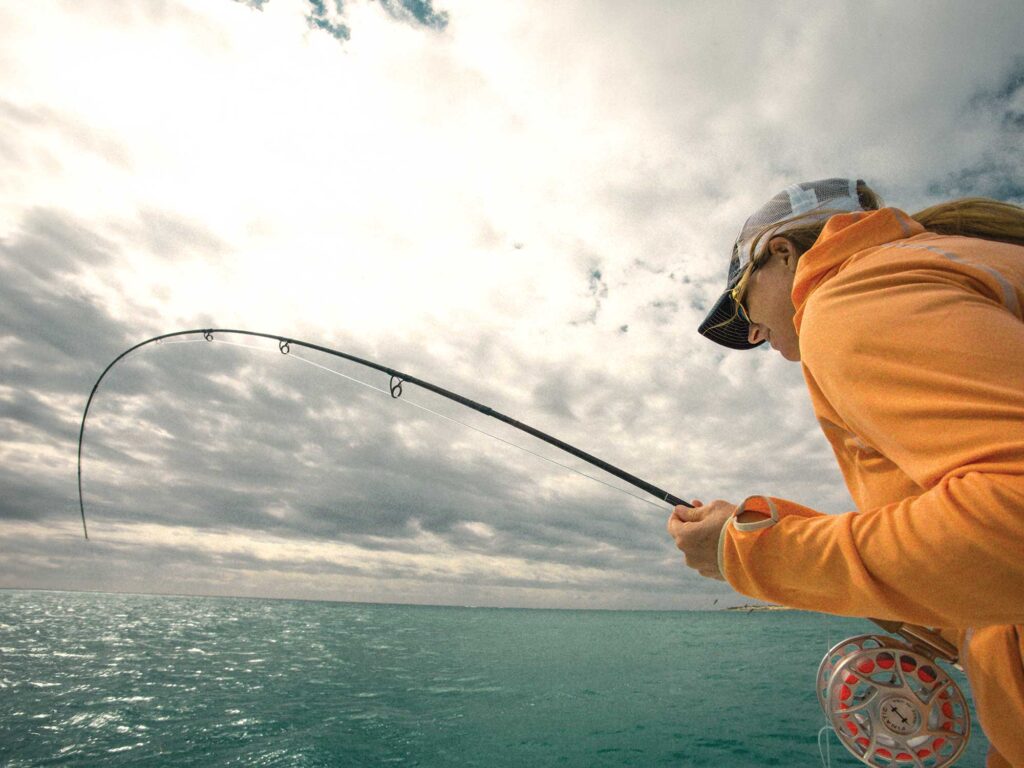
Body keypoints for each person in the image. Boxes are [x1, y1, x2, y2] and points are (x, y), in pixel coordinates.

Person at [667, 178, 1024, 767]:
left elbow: (1011, 519)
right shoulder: (966, 263)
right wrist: (961, 616)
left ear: (781, 253)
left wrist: (753, 554)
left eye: (743, 303)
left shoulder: (852, 291)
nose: (753, 333)